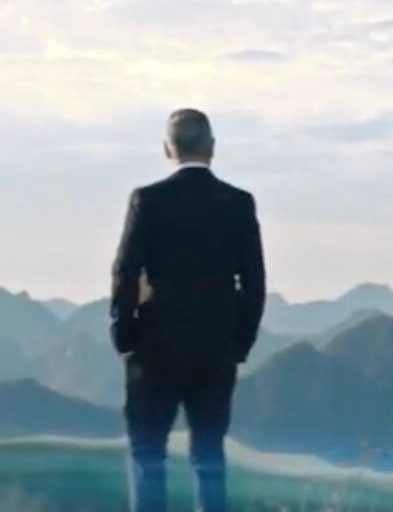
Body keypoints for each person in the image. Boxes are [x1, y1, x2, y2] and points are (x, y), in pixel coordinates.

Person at [109, 108, 267, 512]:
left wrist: (125, 335)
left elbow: (125, 271)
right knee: (210, 456)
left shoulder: (148, 200)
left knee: (148, 455)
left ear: (167, 148)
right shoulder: (238, 203)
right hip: (216, 350)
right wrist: (239, 344)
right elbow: (254, 283)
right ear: (212, 147)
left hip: (154, 347)